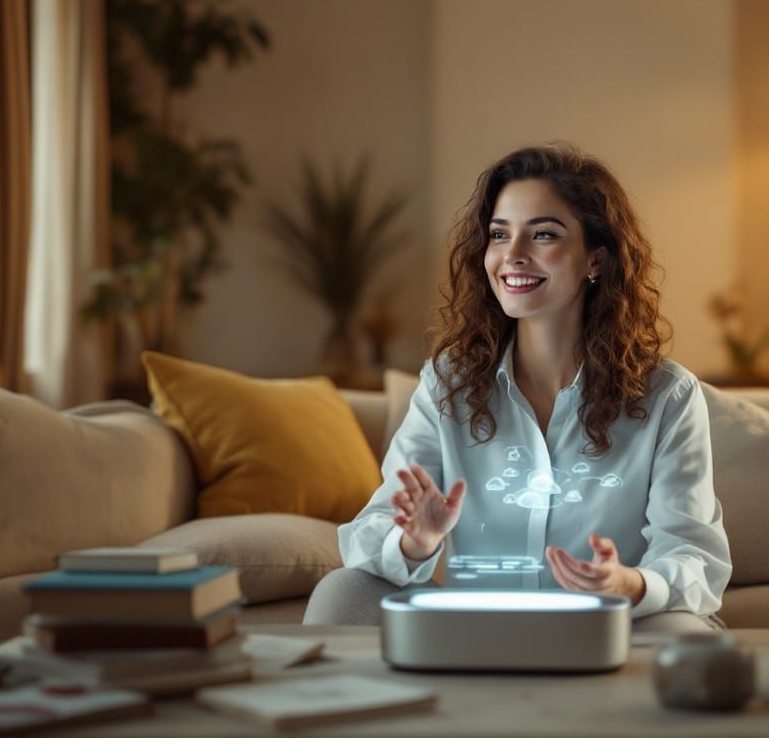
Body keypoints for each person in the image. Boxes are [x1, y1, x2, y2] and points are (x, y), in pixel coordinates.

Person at [304, 144, 731, 632]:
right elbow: (374, 528)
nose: (513, 256)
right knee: (343, 593)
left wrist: (627, 584)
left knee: (682, 633)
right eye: (499, 235)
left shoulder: (666, 396)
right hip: (480, 627)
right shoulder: (449, 383)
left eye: (543, 234)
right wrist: (414, 542)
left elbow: (693, 555)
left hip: (614, 627)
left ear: (596, 258)